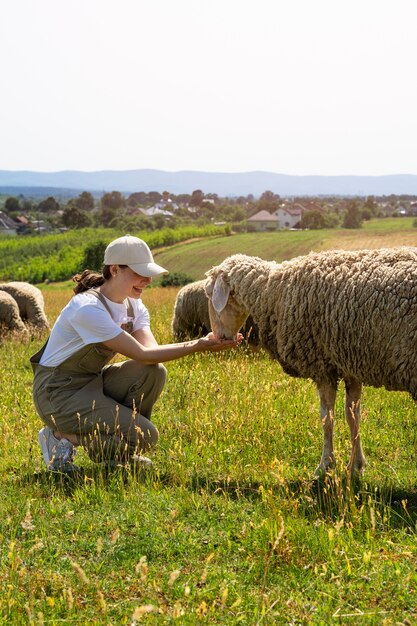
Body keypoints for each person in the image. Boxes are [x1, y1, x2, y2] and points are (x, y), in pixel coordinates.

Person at [31, 234, 241, 471]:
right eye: (139, 273)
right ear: (115, 270)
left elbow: (151, 353)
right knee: (146, 436)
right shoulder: (87, 308)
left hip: (91, 383)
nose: (147, 280)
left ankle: (121, 451)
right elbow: (141, 353)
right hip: (58, 393)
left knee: (154, 372)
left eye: (148, 273)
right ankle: (60, 437)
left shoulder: (134, 306)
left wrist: (208, 342)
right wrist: (199, 345)